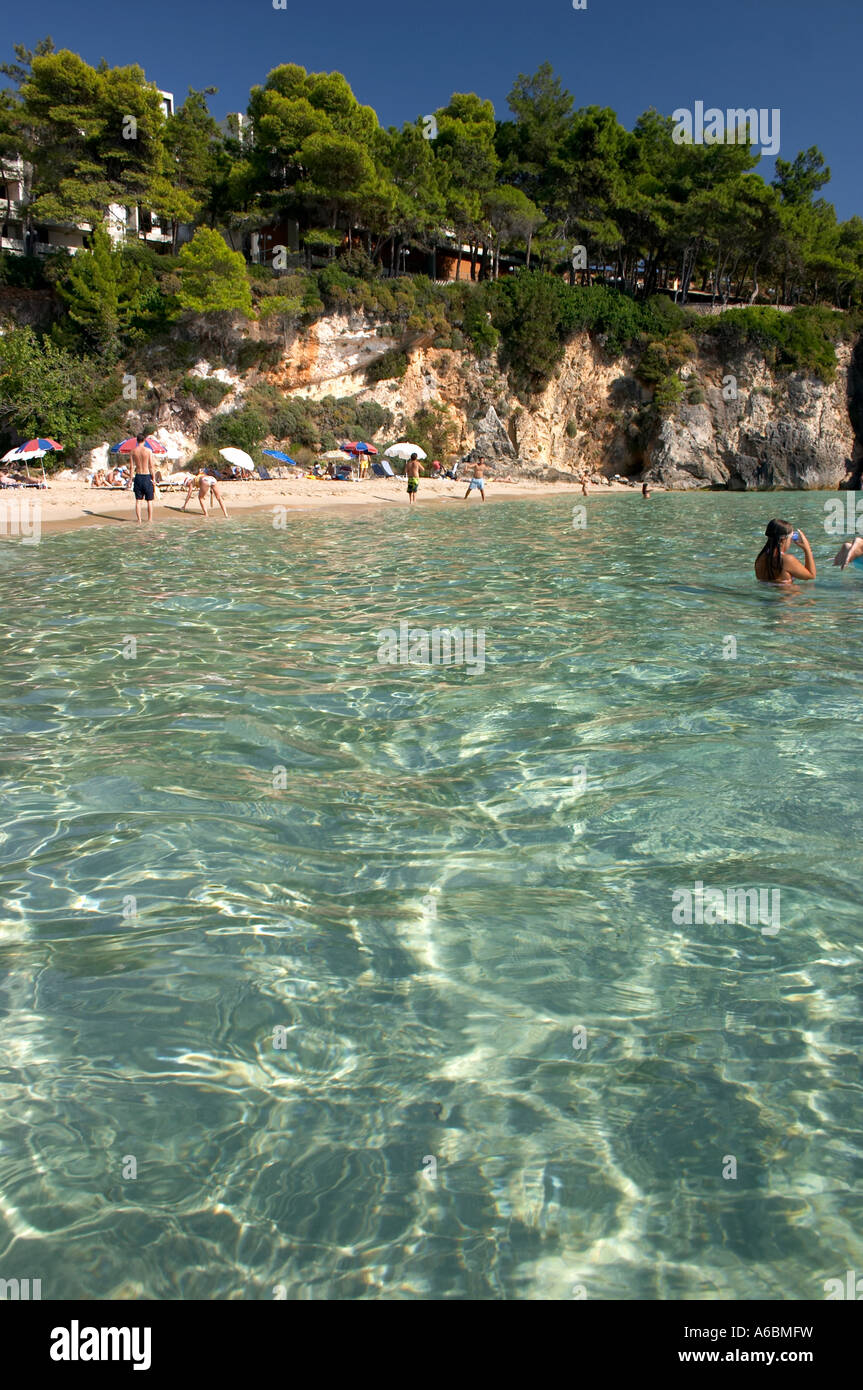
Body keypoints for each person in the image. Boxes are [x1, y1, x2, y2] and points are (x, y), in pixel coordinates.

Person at [755, 519, 815, 584]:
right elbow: (811, 575)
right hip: (788, 593)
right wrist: (807, 548)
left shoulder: (760, 558)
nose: (791, 541)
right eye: (791, 537)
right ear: (783, 539)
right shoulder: (787, 560)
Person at [128, 432, 156, 523]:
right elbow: (151, 466)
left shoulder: (133, 451)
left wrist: (130, 479)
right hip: (146, 476)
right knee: (149, 500)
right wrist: (154, 479)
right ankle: (150, 519)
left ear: (137, 441)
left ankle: (139, 520)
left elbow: (131, 467)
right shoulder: (148, 451)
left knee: (138, 500)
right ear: (144, 440)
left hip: (138, 476)